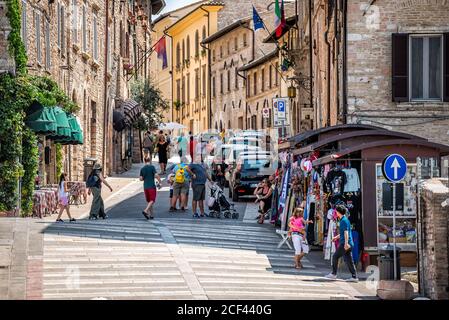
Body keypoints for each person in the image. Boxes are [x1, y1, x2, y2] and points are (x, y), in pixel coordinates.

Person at [325, 205, 359, 282]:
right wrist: (336, 237)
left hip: (345, 243)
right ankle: (354, 277)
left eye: (336, 211)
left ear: (338, 212)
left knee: (335, 256)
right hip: (349, 243)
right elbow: (344, 232)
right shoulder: (345, 219)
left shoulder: (343, 221)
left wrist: (346, 244)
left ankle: (333, 274)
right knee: (349, 260)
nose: (335, 212)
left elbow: (346, 232)